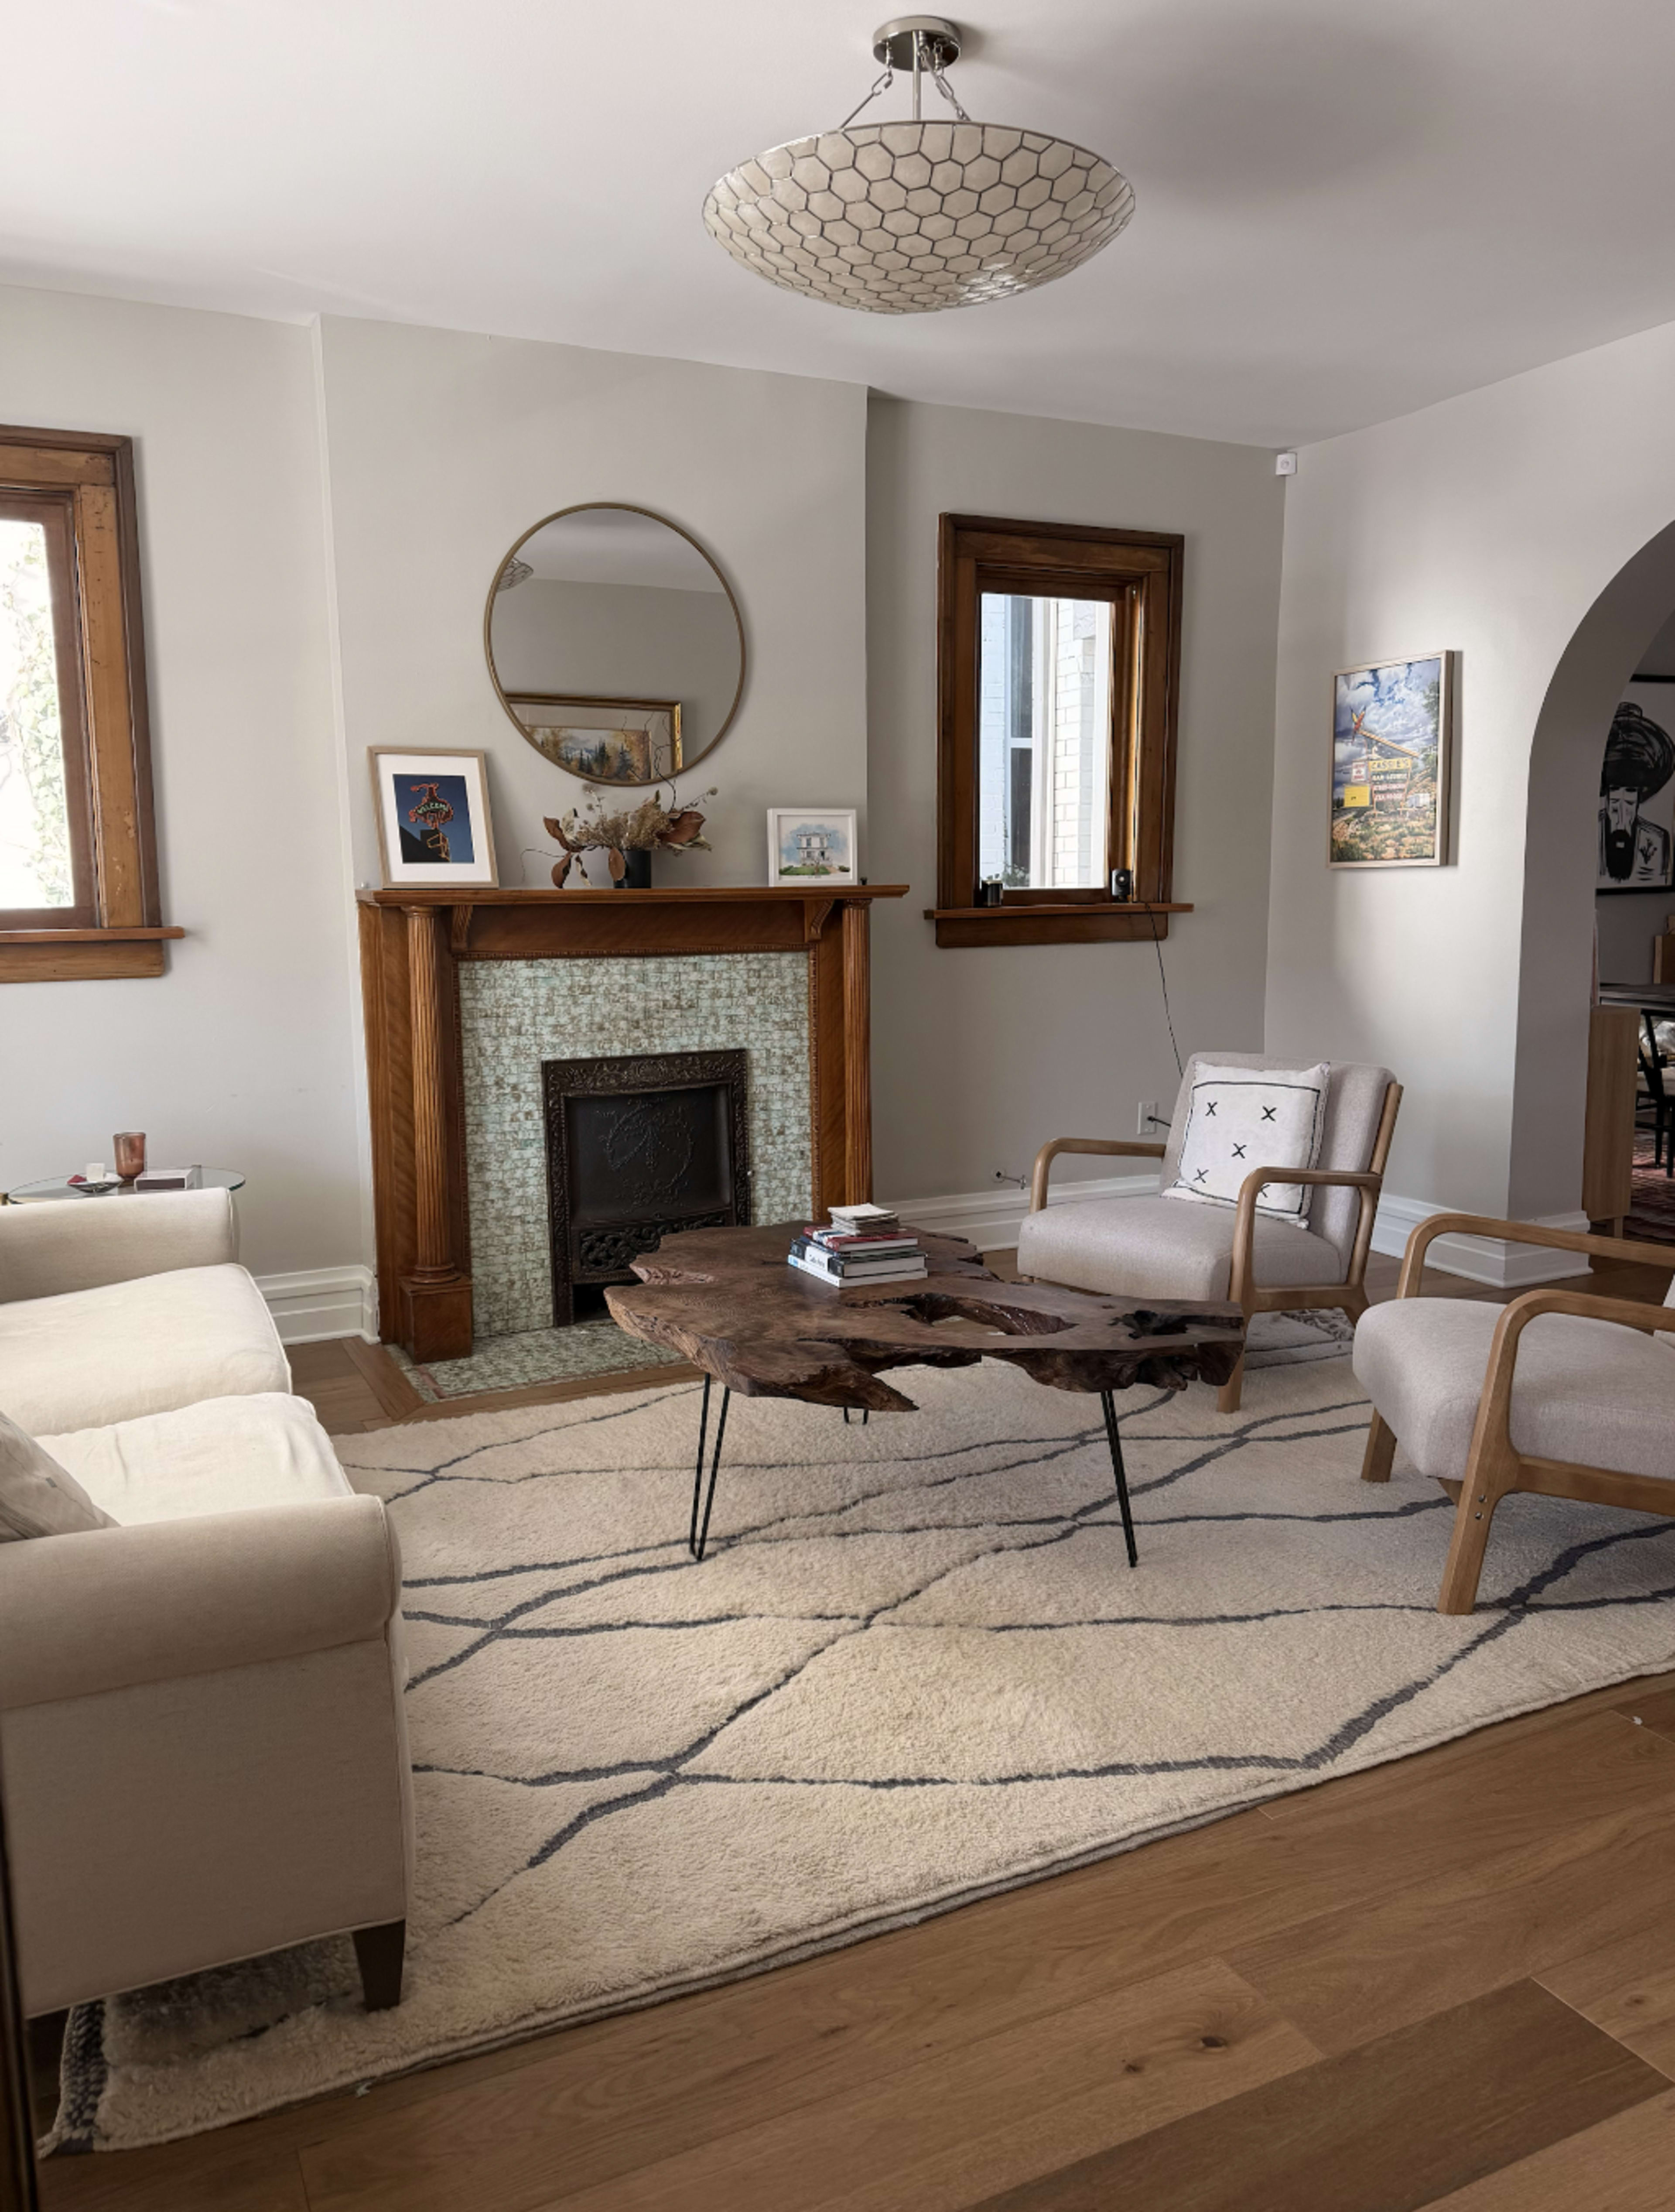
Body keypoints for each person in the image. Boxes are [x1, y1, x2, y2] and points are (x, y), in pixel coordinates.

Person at [1600, 700, 1675, 885]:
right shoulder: (1586, 833)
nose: (1622, 802)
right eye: (1616, 789)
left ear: (1640, 795)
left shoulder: (1656, 838)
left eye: (1631, 792)